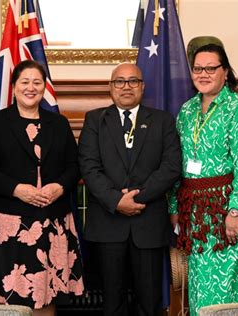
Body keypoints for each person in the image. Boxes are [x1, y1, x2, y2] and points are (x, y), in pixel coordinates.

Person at [0, 60, 84, 316]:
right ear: (13, 87)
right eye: (25, 82)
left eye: (37, 82)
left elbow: (74, 165)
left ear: (44, 88)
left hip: (53, 221)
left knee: (47, 292)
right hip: (8, 223)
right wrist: (16, 189)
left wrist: (59, 186)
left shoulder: (59, 123)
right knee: (10, 292)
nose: (30, 88)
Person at [78, 63, 182, 316]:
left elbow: (171, 167)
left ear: (142, 87)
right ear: (110, 87)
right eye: (120, 81)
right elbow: (89, 168)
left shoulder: (162, 121)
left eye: (133, 81)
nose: (126, 86)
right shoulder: (94, 120)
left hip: (148, 223)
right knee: (112, 304)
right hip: (107, 224)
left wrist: (136, 198)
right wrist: (116, 201)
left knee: (149, 303)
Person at [169, 43, 238, 315]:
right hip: (195, 216)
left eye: (211, 67)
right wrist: (175, 209)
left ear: (225, 72)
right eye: (198, 68)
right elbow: (178, 162)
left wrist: (236, 210)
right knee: (200, 286)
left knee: (231, 287)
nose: (204, 73)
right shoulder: (186, 110)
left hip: (226, 211)